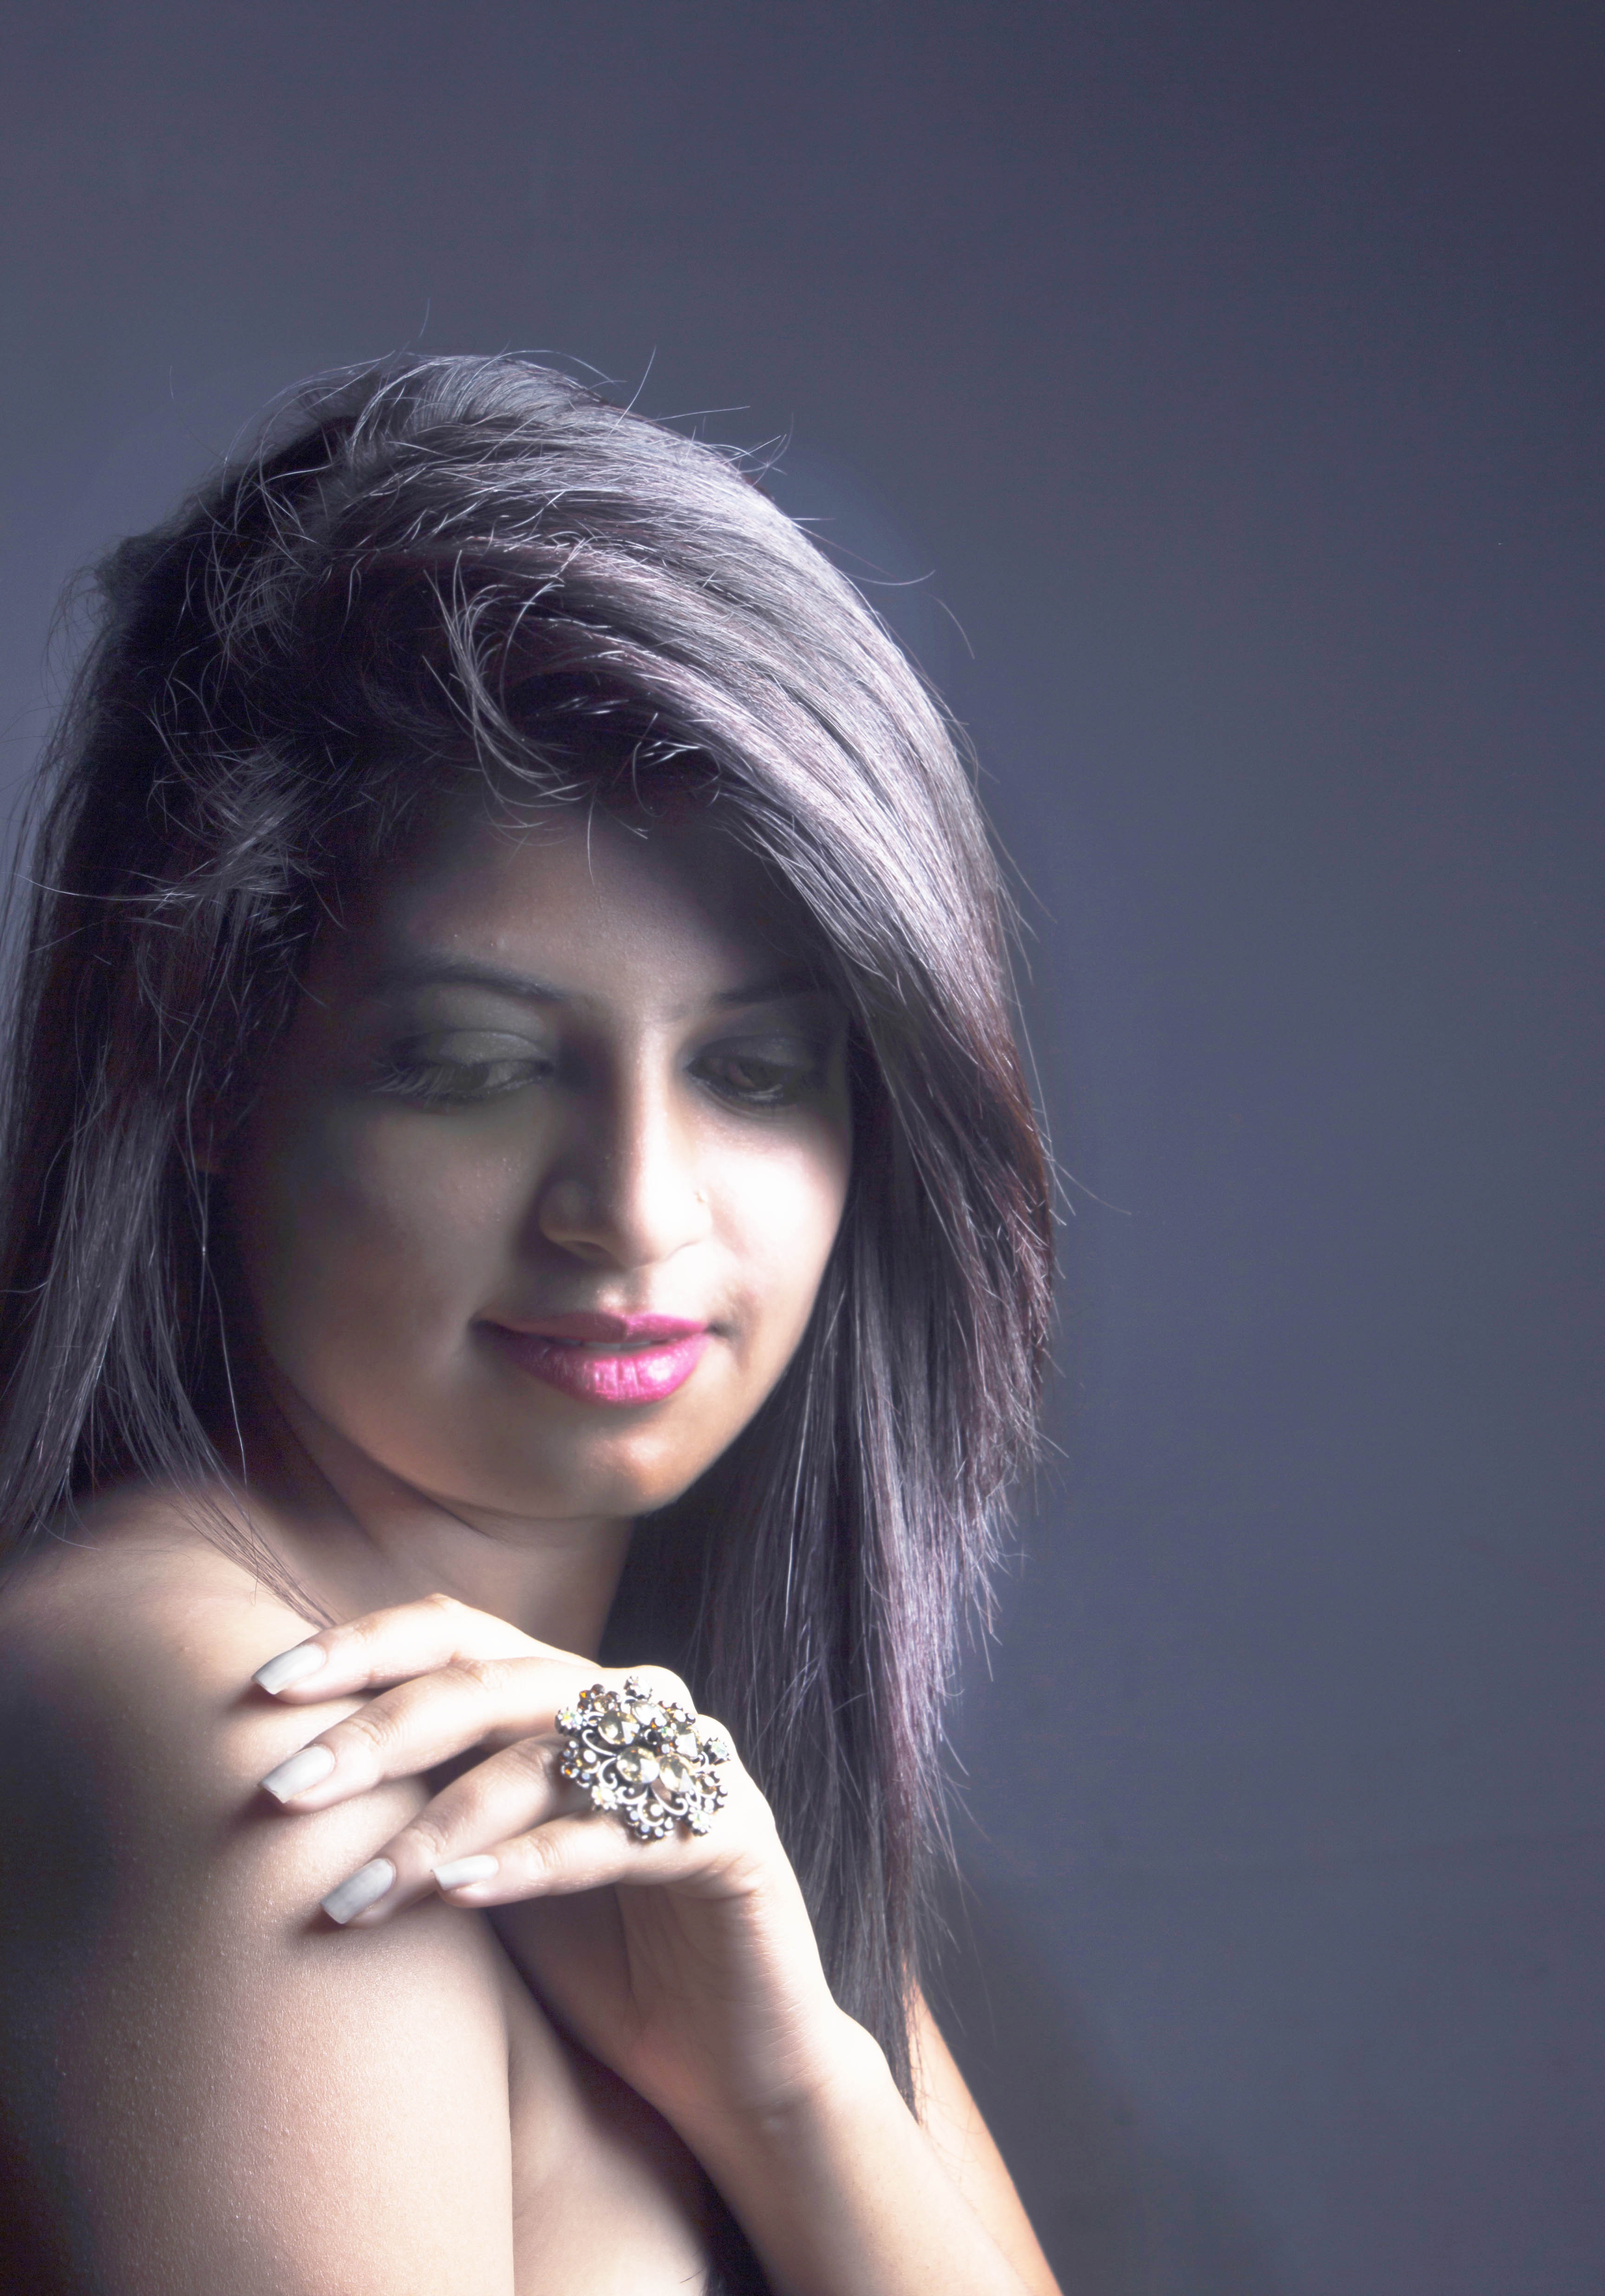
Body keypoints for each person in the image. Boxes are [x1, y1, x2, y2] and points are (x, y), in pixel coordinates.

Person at [0, 355, 1060, 2295]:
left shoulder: (651, 1777)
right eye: (479, 1066)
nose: (636, 1208)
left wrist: (794, 2090)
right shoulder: (243, 1734)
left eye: (754, 1071)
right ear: (208, 1064)